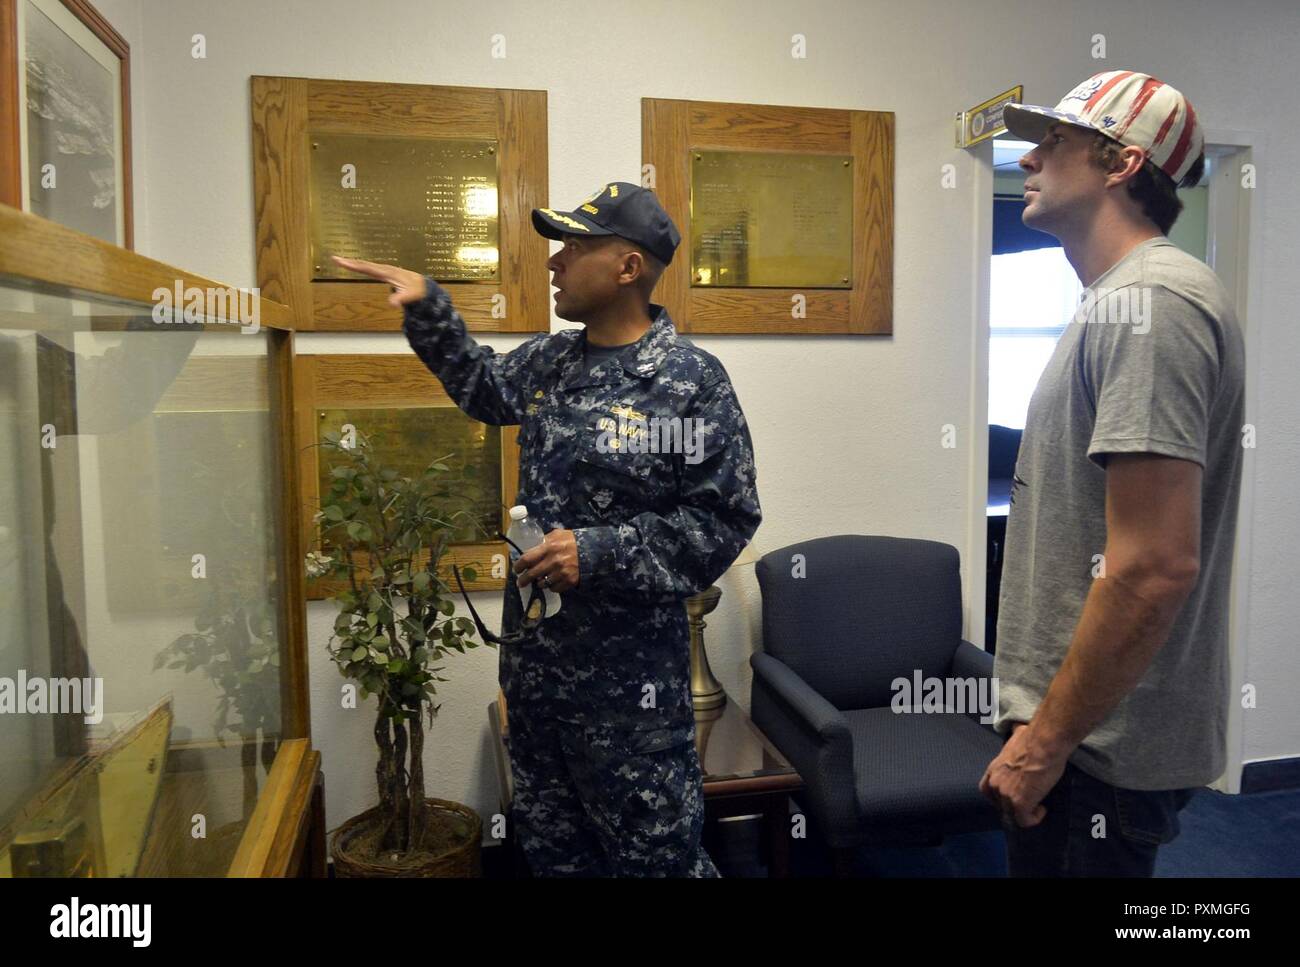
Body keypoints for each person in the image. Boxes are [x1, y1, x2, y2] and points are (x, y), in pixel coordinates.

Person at [332, 182, 761, 877]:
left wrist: (598, 551)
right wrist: (428, 307)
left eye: (575, 247)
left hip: (630, 705)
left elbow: (723, 519)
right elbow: (481, 386)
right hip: (537, 684)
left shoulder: (688, 383)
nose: (555, 262)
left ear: (628, 267)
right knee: (556, 857)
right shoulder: (550, 363)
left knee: (656, 863)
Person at [979, 70, 1244, 877]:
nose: (1027, 159)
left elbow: (1155, 565)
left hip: (1095, 749)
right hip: (1078, 736)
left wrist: (1045, 743)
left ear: (1122, 163)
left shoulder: (1156, 303)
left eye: (1053, 141)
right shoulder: (1116, 301)